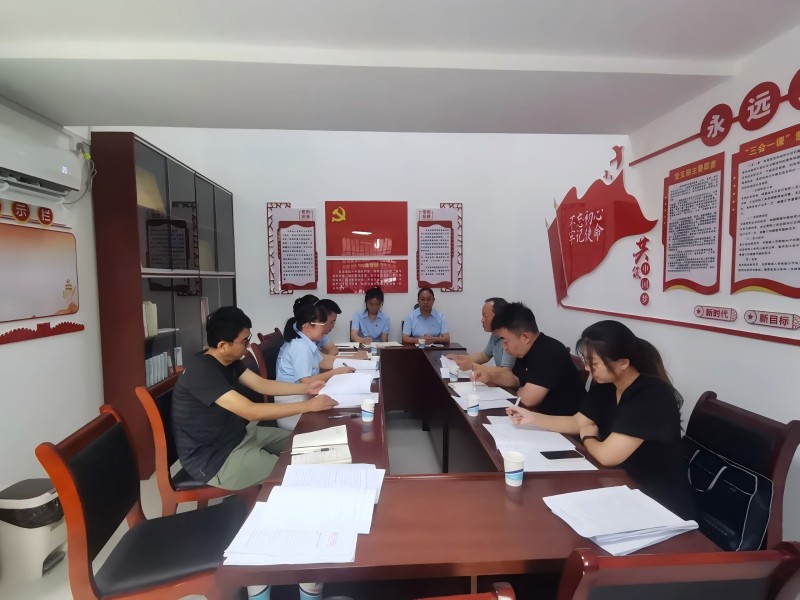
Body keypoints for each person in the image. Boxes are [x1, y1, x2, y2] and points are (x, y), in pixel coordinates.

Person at [506, 320, 695, 520]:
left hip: (658, 502)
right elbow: (578, 422)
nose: (587, 368)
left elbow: (607, 455)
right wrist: (532, 417)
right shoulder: (607, 384)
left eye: (594, 363)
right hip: (618, 484)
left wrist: (588, 438)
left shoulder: (651, 395)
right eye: (586, 361)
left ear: (623, 363)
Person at [171, 306, 337, 491]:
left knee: (306, 444)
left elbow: (262, 384)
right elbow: (251, 411)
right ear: (223, 345)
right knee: (295, 471)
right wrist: (308, 406)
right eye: (244, 341)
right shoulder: (202, 371)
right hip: (216, 459)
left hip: (240, 436)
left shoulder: (227, 360)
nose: (248, 345)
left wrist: (306, 387)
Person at [473, 302, 583, 415]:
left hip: (560, 420)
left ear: (525, 337)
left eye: (506, 342)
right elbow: (515, 380)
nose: (504, 347)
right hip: (534, 415)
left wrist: (521, 390)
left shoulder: (550, 351)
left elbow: (528, 399)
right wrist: (491, 377)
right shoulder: (524, 351)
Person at [275, 299, 355, 429]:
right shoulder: (300, 346)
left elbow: (323, 361)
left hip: (303, 398)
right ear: (307, 327)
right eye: (322, 324)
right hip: (292, 407)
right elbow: (306, 382)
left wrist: (352, 362)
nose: (325, 328)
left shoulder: (307, 343)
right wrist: (336, 372)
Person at [447, 297, 515, 373]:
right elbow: (485, 355)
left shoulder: (512, 336)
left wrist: (472, 366)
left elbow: (505, 372)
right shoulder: (496, 333)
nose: (482, 320)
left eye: (485, 316)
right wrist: (460, 358)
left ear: (498, 317)